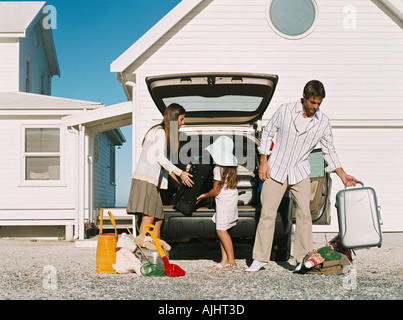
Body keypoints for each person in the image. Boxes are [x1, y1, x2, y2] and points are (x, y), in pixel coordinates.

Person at [246, 80, 359, 272]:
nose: (315, 107)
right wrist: (263, 161)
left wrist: (342, 174)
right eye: (312, 102)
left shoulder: (323, 122)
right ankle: (259, 258)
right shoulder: (285, 110)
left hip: (300, 171)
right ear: (304, 97)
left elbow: (329, 151)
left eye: (319, 104)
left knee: (305, 215)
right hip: (277, 168)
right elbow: (267, 134)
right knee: (267, 213)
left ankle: (303, 259)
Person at [126, 103, 194, 242]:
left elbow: (162, 165)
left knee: (158, 217)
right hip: (146, 180)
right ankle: (142, 251)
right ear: (174, 119)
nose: (182, 123)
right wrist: (181, 173)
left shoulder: (157, 131)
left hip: (148, 180)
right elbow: (160, 158)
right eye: (181, 119)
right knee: (149, 217)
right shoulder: (160, 132)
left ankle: (156, 253)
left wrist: (178, 184)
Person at [197, 136, 240, 271]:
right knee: (223, 229)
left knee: (221, 230)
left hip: (224, 201)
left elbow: (215, 191)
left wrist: (203, 196)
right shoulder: (231, 167)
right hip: (231, 199)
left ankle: (232, 262)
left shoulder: (218, 168)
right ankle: (223, 261)